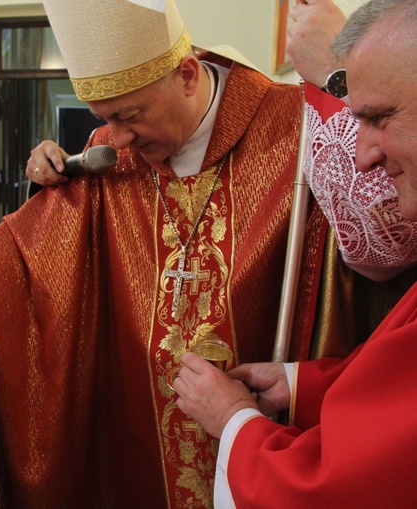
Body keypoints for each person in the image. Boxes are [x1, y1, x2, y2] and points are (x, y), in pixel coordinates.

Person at [0, 0, 355, 506]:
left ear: (185, 75)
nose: (116, 139)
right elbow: (27, 252)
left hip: (261, 437)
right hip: (135, 433)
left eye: (128, 115)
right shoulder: (111, 153)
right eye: (103, 119)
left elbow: (373, 248)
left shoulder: (298, 125)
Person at [174, 1, 417, 506]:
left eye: (378, 117)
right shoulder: (106, 159)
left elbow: (340, 485)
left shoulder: (275, 126)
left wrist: (234, 420)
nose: (365, 156)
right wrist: (301, 384)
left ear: (188, 76)